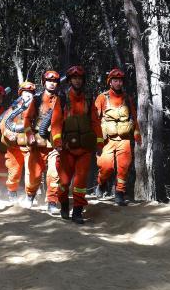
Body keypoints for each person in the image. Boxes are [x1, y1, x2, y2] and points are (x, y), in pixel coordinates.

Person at [57, 65, 101, 224]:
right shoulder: (62, 98)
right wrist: (57, 140)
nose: (77, 80)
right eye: (74, 78)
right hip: (67, 148)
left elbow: (95, 121)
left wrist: (99, 142)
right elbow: (56, 121)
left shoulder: (88, 98)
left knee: (80, 182)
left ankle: (77, 211)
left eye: (80, 78)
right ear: (69, 80)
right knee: (63, 182)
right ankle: (63, 204)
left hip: (84, 148)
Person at [92, 68, 142, 206]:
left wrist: (137, 133)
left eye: (120, 81)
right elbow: (94, 119)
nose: (118, 83)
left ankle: (120, 193)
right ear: (110, 82)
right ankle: (101, 183)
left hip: (124, 139)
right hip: (107, 139)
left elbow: (134, 117)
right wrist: (96, 138)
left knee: (123, 167)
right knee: (106, 167)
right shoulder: (102, 98)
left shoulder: (127, 98)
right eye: (115, 80)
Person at [22, 70, 64, 213]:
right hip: (38, 143)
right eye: (49, 81)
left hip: (54, 144)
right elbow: (27, 119)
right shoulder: (37, 99)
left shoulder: (62, 99)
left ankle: (52, 201)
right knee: (34, 175)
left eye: (55, 81)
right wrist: (29, 134)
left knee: (54, 174)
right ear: (44, 82)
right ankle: (30, 195)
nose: (52, 84)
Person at [0, 81, 36, 202]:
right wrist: (9, 134)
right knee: (14, 171)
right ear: (21, 94)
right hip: (14, 147)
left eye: (31, 92)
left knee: (32, 172)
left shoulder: (37, 107)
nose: (28, 94)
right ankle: (12, 192)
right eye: (26, 92)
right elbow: (3, 124)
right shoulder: (14, 108)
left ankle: (30, 196)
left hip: (30, 146)